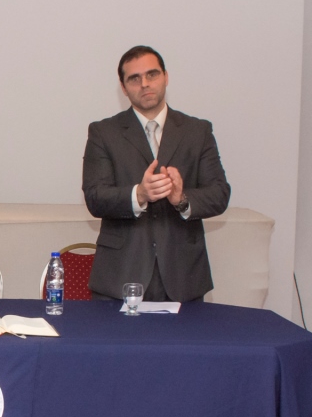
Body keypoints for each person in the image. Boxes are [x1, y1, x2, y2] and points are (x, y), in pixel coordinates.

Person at [82, 46, 230, 302]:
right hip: (120, 275)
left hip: (183, 276)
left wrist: (181, 199)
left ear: (165, 77)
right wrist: (139, 194)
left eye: (152, 74)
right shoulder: (103, 132)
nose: (145, 84)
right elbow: (95, 197)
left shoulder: (197, 131)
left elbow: (219, 194)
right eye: (134, 78)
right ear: (123, 86)